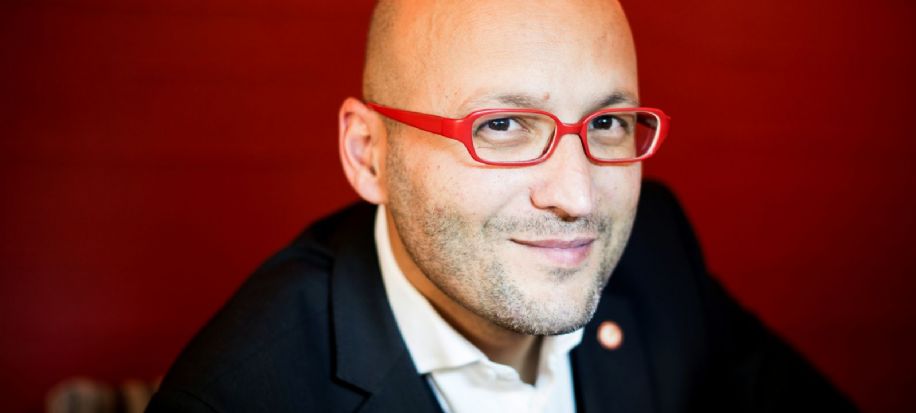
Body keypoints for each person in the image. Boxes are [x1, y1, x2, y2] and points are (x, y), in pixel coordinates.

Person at [147, 0, 856, 412]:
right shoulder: (241, 397)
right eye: (502, 125)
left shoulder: (653, 247)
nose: (578, 198)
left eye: (608, 122)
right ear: (369, 155)